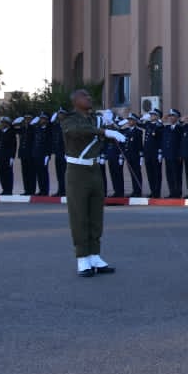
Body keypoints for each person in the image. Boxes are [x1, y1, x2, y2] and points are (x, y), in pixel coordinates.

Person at [61, 89, 126, 277]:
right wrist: (104, 130)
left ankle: (95, 255)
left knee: (96, 214)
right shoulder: (69, 119)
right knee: (79, 215)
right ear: (75, 101)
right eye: (84, 96)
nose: (89, 98)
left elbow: (110, 137)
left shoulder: (96, 119)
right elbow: (77, 131)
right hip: (77, 171)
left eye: (89, 96)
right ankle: (82, 258)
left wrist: (113, 128)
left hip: (95, 170)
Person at [161, 108, 184, 198]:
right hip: (168, 155)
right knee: (169, 175)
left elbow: (182, 142)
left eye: (173, 116)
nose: (170, 118)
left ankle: (178, 193)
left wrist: (180, 154)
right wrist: (162, 120)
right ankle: (172, 192)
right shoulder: (166, 128)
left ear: (177, 117)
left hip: (176, 156)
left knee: (176, 174)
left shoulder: (180, 128)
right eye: (170, 116)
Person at [122, 114, 144, 197]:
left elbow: (139, 145)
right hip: (128, 156)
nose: (129, 121)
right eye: (128, 120)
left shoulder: (138, 131)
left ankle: (138, 191)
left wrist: (141, 156)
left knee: (137, 173)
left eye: (131, 120)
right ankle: (134, 190)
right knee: (132, 173)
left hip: (135, 156)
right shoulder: (126, 131)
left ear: (135, 121)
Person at [0, 117, 18, 196]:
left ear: (7, 124)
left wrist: (12, 157)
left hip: (7, 156)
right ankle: (4, 189)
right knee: (1, 173)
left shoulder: (11, 132)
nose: (2, 124)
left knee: (8, 174)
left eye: (4, 122)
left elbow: (13, 145)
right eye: (1, 122)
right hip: (0, 155)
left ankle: (9, 190)